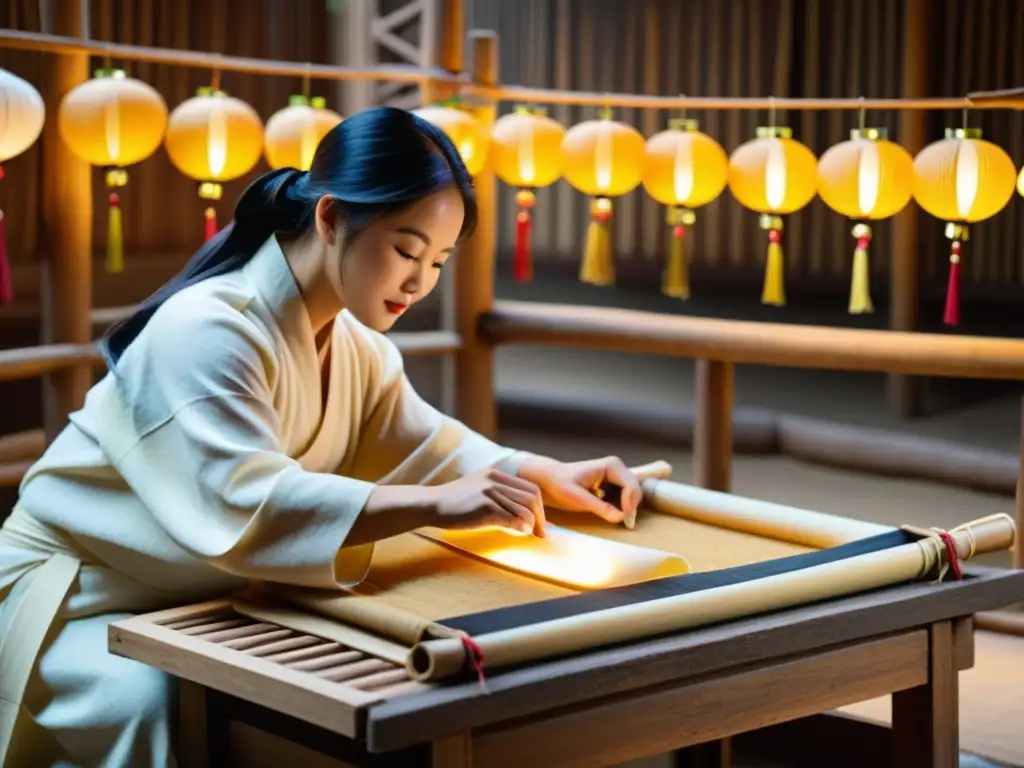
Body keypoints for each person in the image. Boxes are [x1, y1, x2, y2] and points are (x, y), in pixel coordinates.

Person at [0, 105, 642, 767]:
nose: (421, 281)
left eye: (441, 261)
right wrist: (438, 504)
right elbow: (244, 500)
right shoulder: (206, 330)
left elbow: (430, 446)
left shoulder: (354, 345)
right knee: (163, 701)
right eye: (406, 249)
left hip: (201, 599)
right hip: (78, 600)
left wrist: (540, 472)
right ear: (332, 218)